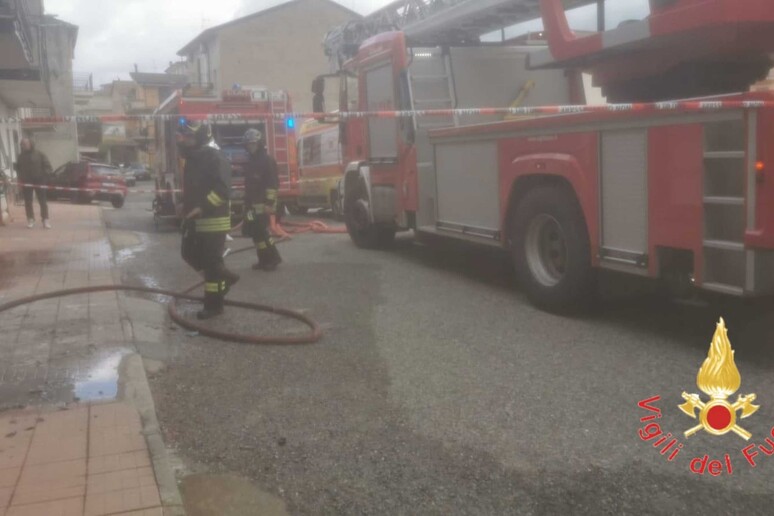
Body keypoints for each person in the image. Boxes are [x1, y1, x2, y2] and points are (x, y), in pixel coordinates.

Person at [178, 119, 240, 320]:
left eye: (189, 136)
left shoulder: (215, 157)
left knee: (212, 264)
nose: (185, 140)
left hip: (214, 220)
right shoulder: (193, 158)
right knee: (188, 253)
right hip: (195, 219)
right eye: (184, 136)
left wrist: (201, 207)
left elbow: (223, 189)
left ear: (200, 137)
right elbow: (194, 187)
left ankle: (214, 305)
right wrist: (184, 205)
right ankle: (225, 278)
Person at [243, 128, 282, 271]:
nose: (250, 147)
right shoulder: (251, 161)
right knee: (255, 233)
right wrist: (246, 205)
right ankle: (263, 260)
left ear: (259, 144)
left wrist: (269, 203)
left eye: (253, 144)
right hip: (251, 205)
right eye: (248, 144)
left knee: (263, 232)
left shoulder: (267, 160)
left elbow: (273, 184)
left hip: (263, 205)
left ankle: (273, 259)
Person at [15, 138, 52, 229]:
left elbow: (48, 167)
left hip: (39, 181)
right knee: (28, 201)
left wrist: (44, 177)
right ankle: (30, 219)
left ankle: (45, 220)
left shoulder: (39, 154)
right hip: (26, 181)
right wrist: (20, 180)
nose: (23, 146)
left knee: (42, 201)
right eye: (22, 144)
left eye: (25, 144)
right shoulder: (21, 156)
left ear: (30, 144)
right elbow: (18, 169)